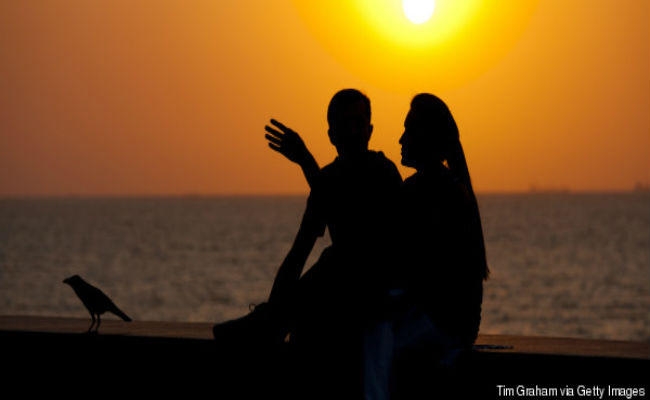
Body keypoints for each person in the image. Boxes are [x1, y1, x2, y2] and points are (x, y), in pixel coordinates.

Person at [265, 93, 489, 399]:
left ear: (427, 138)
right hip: (426, 312)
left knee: (371, 329)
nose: (400, 139)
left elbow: (433, 280)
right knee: (338, 270)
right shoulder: (416, 188)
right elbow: (349, 227)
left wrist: (383, 302)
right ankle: (269, 321)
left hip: (444, 324)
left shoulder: (442, 194)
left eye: (409, 130)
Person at [213, 88, 403, 397]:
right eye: (346, 124)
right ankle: (266, 321)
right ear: (332, 134)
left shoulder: (383, 172)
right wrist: (275, 309)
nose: (354, 131)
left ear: (370, 130)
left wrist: (305, 161)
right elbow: (300, 250)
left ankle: (266, 321)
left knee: (333, 263)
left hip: (370, 294)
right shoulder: (328, 179)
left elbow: (354, 232)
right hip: (337, 291)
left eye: (359, 123)